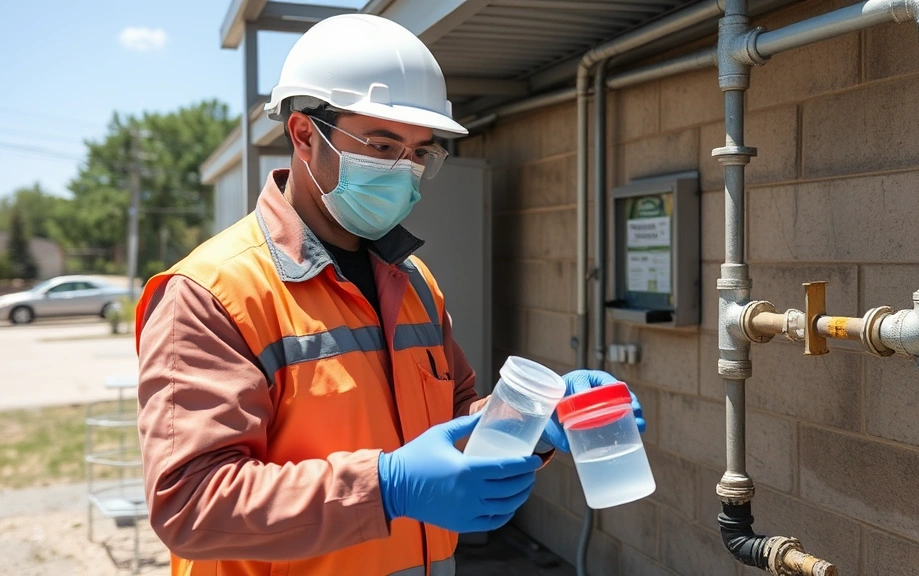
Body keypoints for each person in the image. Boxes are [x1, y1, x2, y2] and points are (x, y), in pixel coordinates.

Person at [135, 13, 644, 576]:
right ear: (304, 134)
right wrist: (386, 488)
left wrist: (536, 417)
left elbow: (456, 422)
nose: (404, 171)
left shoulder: (414, 282)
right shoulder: (210, 294)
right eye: (381, 144)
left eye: (420, 151)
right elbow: (191, 504)